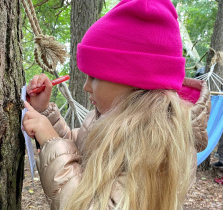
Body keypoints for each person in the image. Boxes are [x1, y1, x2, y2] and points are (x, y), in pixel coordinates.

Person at [23, 0, 211, 209]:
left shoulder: (158, 146)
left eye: (94, 77)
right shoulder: (110, 116)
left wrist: (50, 140)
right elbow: (80, 152)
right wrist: (46, 114)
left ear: (133, 81)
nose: (86, 87)